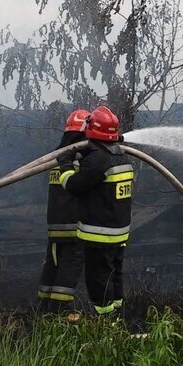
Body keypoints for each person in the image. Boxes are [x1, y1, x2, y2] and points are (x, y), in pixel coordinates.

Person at [57, 106, 134, 315]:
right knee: (114, 276)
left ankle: (107, 324)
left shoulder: (98, 160)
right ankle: (117, 316)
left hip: (100, 235)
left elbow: (73, 186)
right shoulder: (122, 156)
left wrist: (66, 164)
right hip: (119, 232)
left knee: (98, 281)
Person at [38, 109, 89, 314]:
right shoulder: (78, 159)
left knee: (53, 266)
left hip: (55, 225)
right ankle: (61, 311)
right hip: (74, 226)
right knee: (70, 266)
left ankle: (44, 309)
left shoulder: (57, 157)